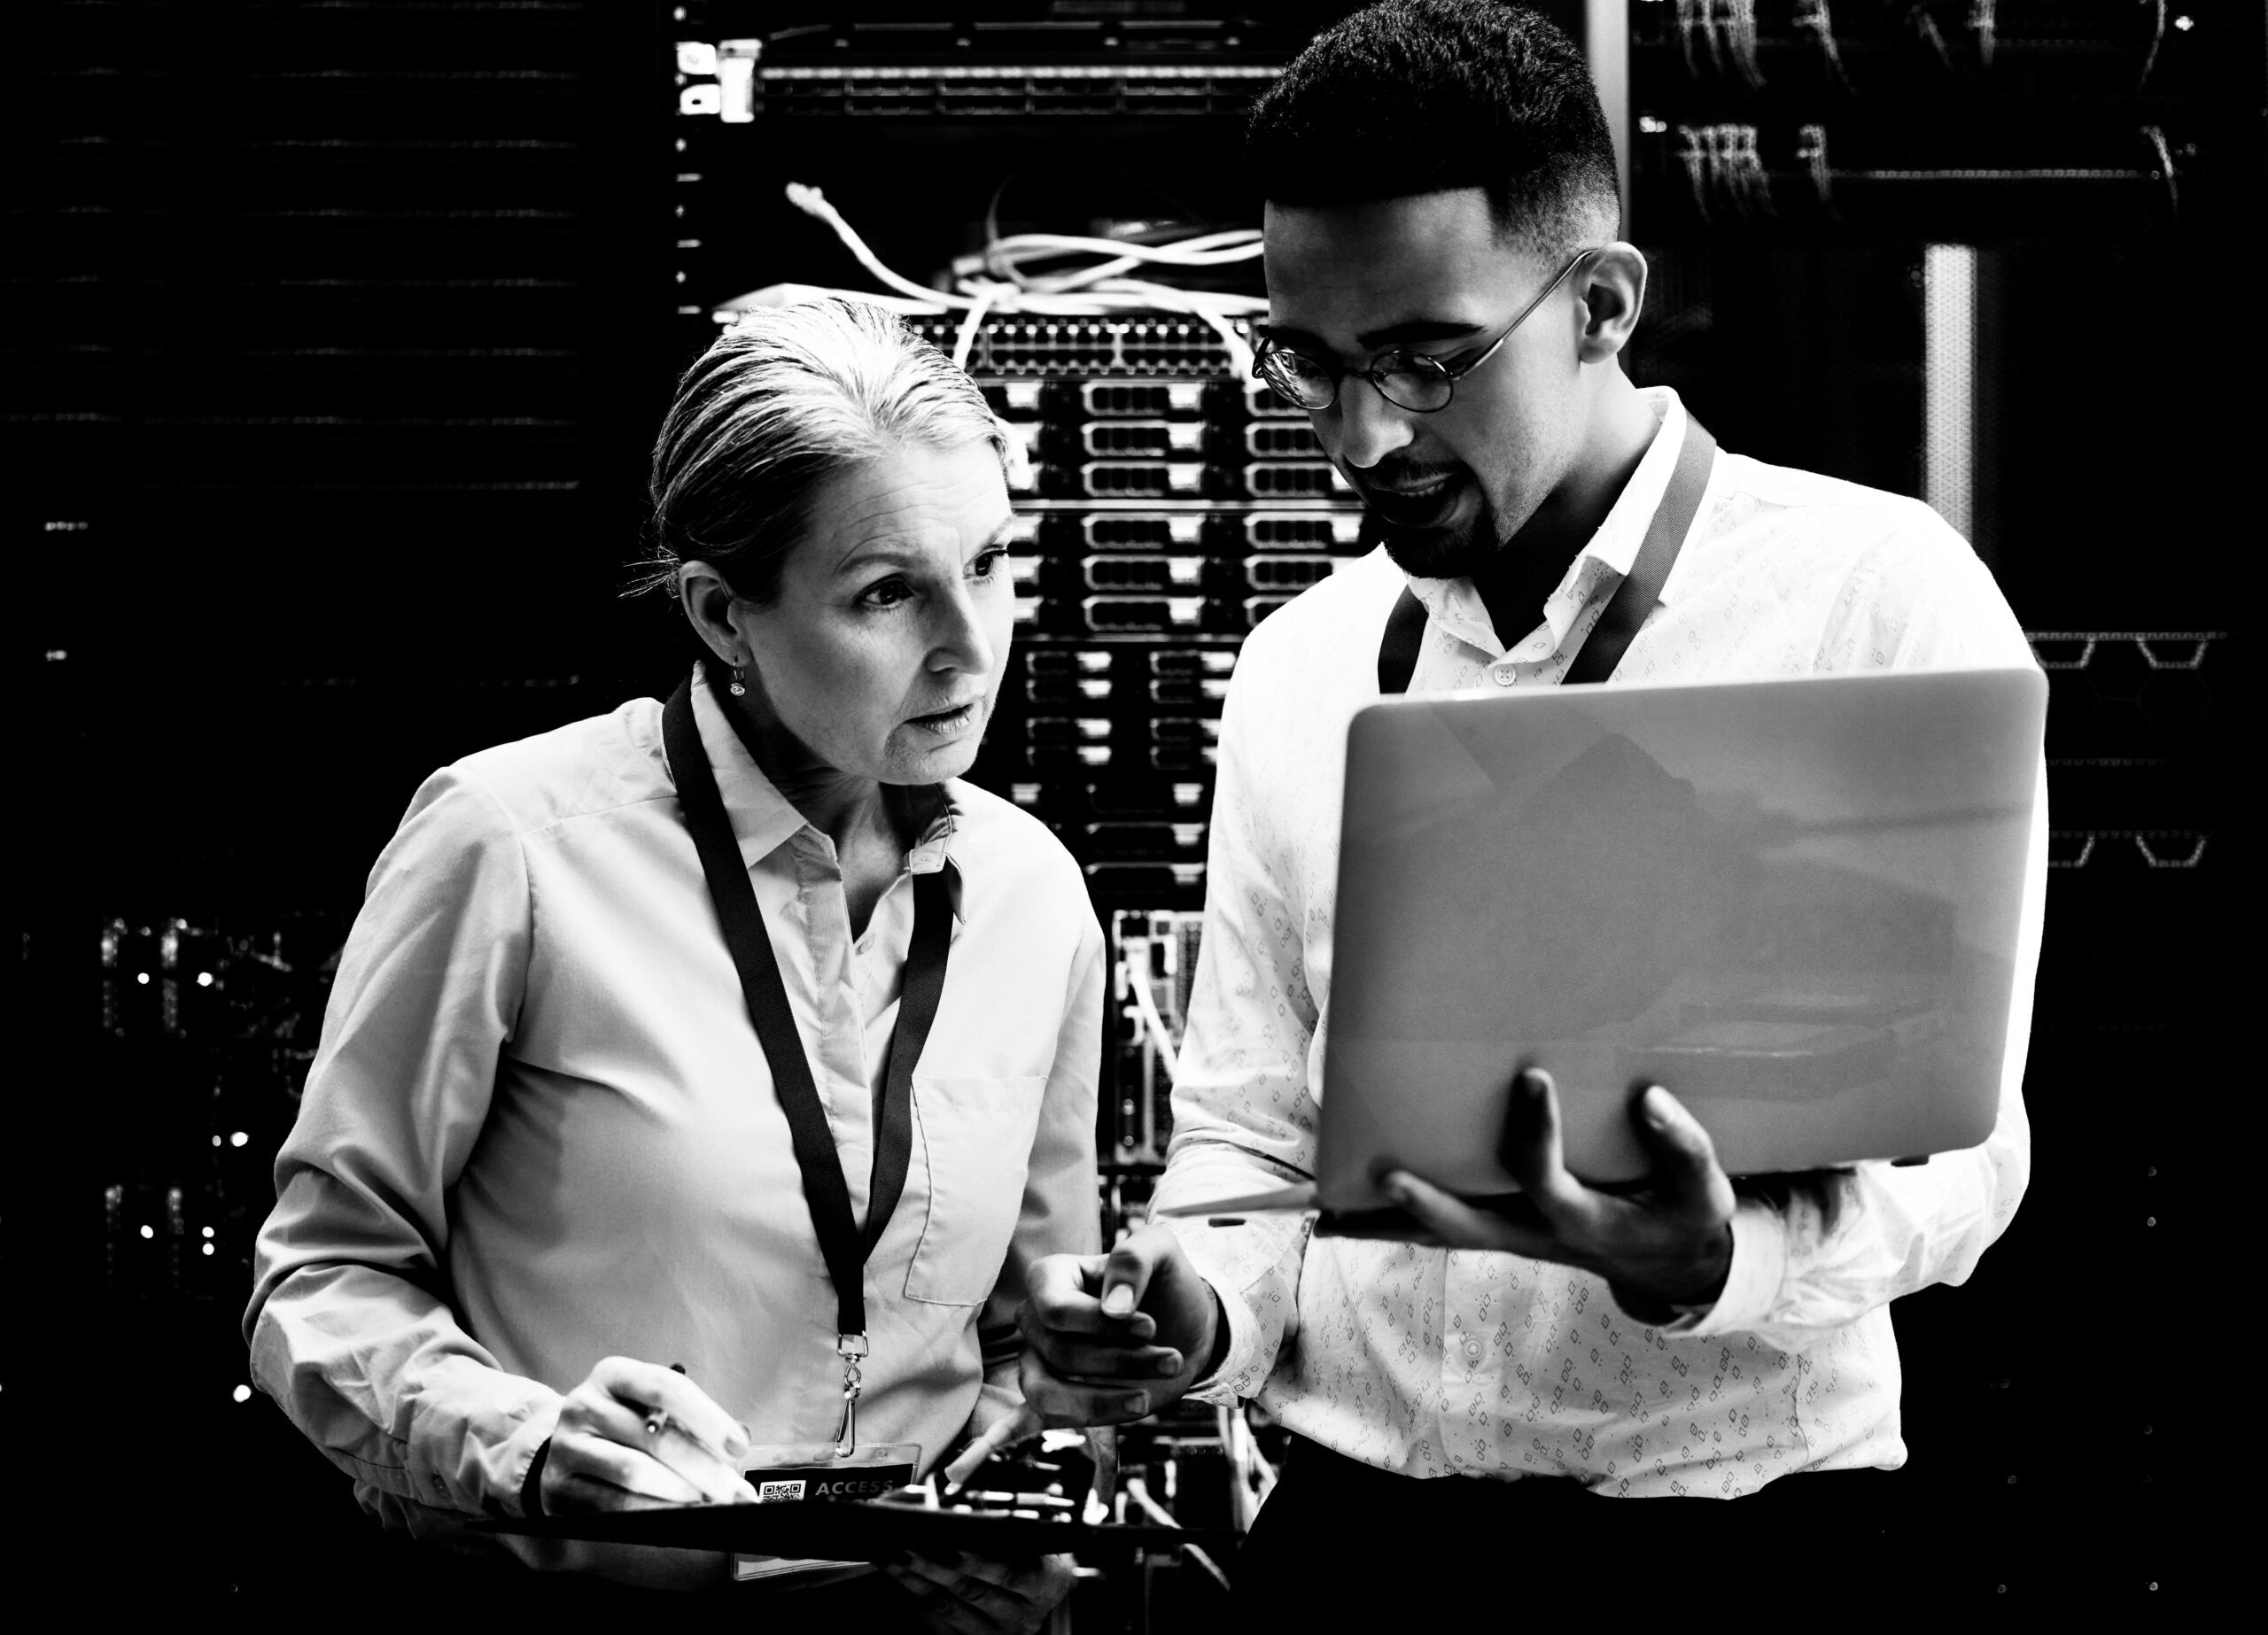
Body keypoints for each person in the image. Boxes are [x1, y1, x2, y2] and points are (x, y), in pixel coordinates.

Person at [1016, 0, 2046, 1613]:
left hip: (1740, 1554)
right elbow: (1245, 1128)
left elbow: (1966, 1161)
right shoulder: (1302, 663)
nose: (1362, 436)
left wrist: (1719, 1263)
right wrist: (1187, 1309)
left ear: (1603, 302)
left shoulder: (1877, 600)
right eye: (1312, 361)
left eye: (1426, 359)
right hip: (1358, 1549)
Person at [246, 298, 1098, 1629]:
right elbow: (318, 1277)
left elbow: (1032, 1344)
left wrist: (1016, 1527)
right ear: (721, 614)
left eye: (990, 562)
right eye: (889, 591)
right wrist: (524, 1448)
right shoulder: (509, 843)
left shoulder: (1035, 896)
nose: (972, 643)